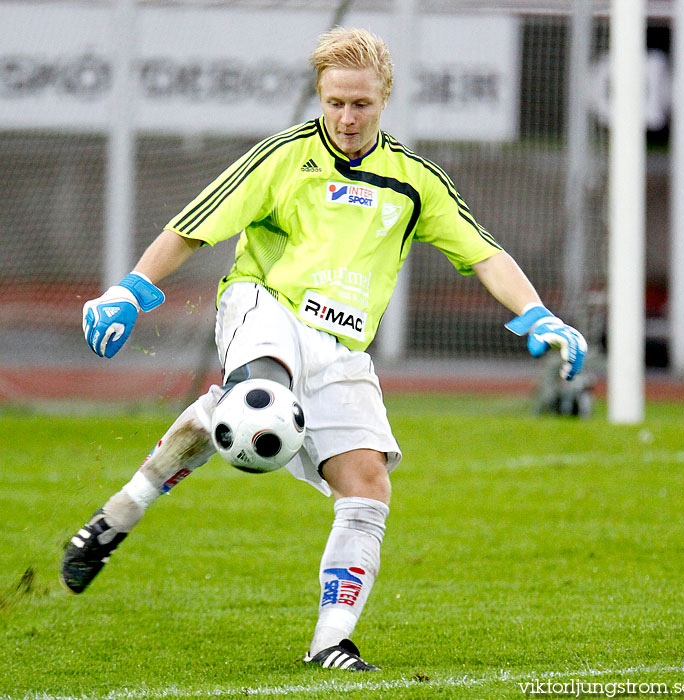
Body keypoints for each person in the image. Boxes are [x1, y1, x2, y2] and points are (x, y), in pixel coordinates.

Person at [62, 27, 586, 671]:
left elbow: (484, 252)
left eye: (360, 104)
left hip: (342, 349)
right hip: (264, 307)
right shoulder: (282, 158)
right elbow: (191, 228)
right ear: (320, 95)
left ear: (384, 99)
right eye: (334, 101)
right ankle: (121, 515)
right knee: (263, 398)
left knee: (367, 486)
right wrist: (130, 291)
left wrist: (538, 315)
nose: (345, 116)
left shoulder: (414, 181)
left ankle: (329, 643)